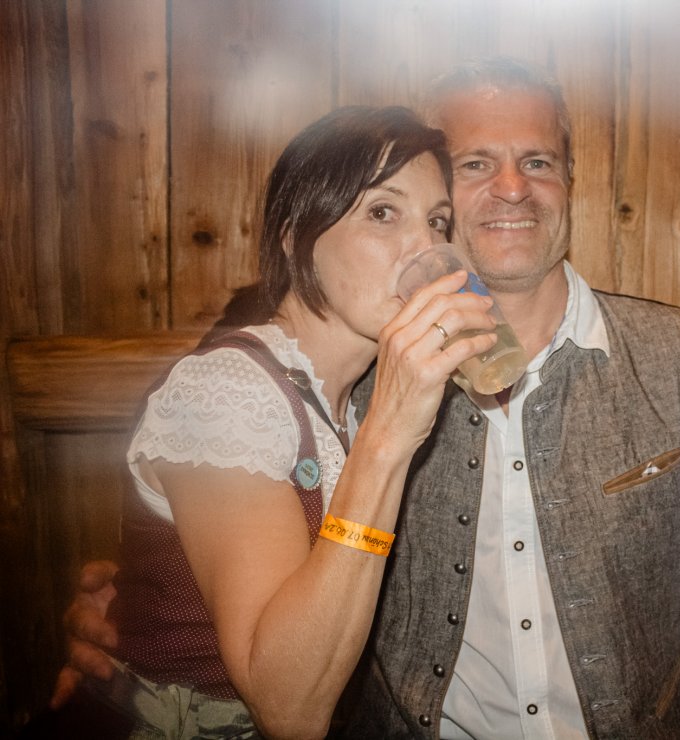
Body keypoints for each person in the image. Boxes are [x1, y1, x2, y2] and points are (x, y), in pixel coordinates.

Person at [54, 58, 680, 739]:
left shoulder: (677, 360)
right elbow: (225, 450)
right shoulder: (357, 371)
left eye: (538, 161)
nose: (512, 187)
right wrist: (145, 607)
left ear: (570, 184)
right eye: (476, 163)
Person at [47, 105, 500, 739]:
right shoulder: (228, 391)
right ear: (293, 236)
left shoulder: (355, 396)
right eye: (382, 212)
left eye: (437, 221)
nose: (425, 247)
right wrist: (389, 437)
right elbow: (289, 711)